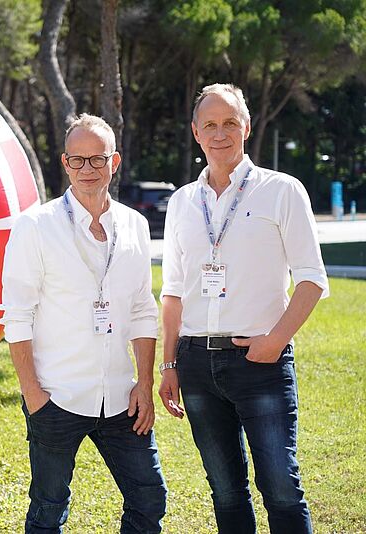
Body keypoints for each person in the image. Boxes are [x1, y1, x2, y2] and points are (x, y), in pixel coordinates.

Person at [158, 83, 329, 534]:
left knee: (281, 488)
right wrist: (169, 364)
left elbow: (312, 279)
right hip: (195, 364)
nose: (220, 134)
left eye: (230, 123)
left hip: (260, 362)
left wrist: (275, 342)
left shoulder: (282, 190)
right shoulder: (182, 202)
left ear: (247, 127)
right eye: (210, 125)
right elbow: (173, 292)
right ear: (196, 132)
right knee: (225, 490)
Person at [0, 113, 167, 533]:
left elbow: (142, 310)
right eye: (77, 160)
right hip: (56, 396)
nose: (87, 169)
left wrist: (144, 383)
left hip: (122, 398)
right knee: (48, 509)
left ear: (115, 162)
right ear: (65, 162)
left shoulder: (135, 225)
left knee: (149, 497)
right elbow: (17, 315)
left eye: (98, 159)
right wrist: (33, 394)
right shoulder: (35, 226)